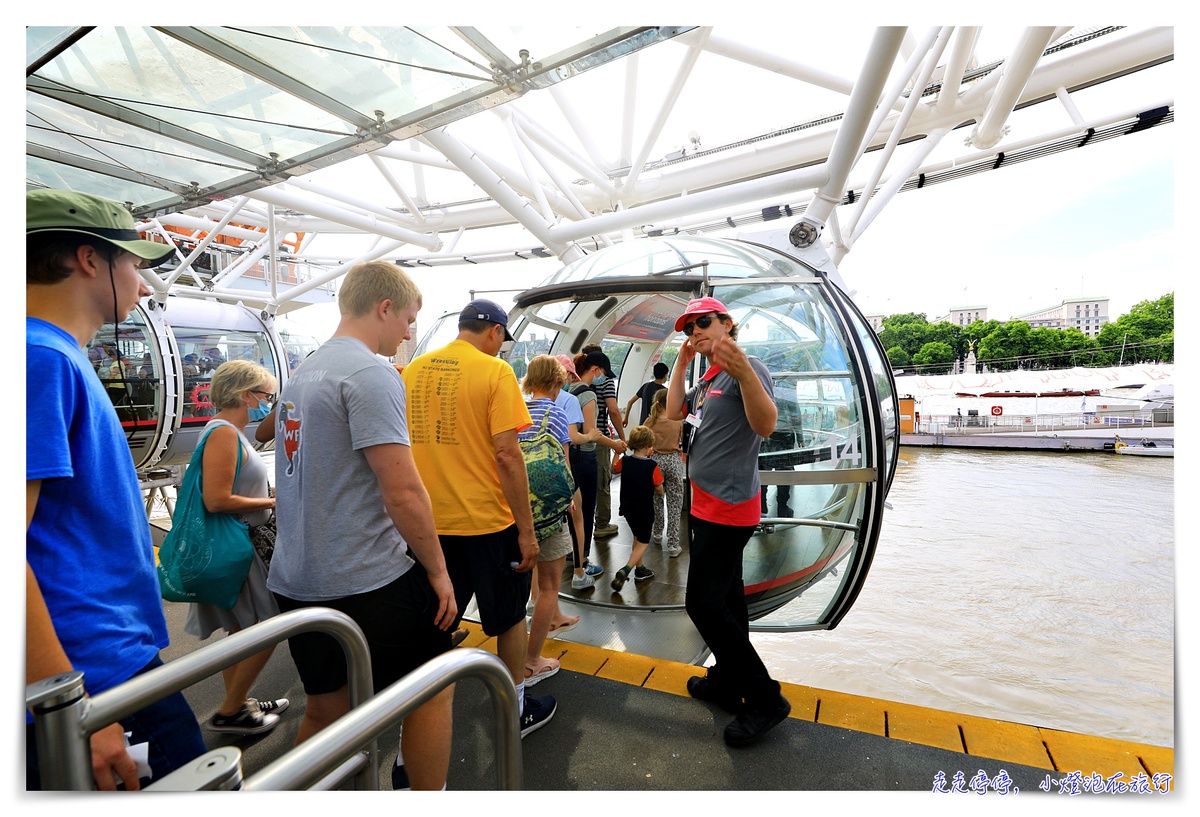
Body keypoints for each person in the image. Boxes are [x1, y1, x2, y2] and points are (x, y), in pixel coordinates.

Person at [26, 188, 206, 790]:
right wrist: (67, 703)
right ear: (87, 259)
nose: (145, 283)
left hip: (97, 662)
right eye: (134, 261)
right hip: (89, 671)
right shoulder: (37, 359)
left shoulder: (53, 354)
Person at [268, 260, 458, 791]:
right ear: (384, 308)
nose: (407, 332)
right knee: (431, 686)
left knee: (328, 710)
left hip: (297, 575)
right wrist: (438, 571)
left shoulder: (305, 371)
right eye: (408, 319)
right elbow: (402, 489)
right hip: (365, 576)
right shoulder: (370, 373)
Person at [402, 298, 558, 740]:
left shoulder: (414, 370)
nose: (501, 348)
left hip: (429, 524)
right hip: (488, 522)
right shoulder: (495, 372)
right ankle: (515, 711)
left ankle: (425, 710)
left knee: (438, 617)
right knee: (509, 617)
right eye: (502, 340)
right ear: (494, 332)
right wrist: (527, 533)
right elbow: (508, 455)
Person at [665, 296, 792, 747]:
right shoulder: (708, 376)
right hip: (705, 505)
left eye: (703, 323)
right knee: (729, 601)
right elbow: (672, 413)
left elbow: (766, 425)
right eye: (689, 328)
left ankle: (764, 698)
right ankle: (725, 680)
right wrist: (681, 364)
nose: (695, 332)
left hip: (729, 507)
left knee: (702, 604)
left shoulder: (747, 367)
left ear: (727, 324)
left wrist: (741, 372)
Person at [185, 360, 289, 735]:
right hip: (241, 546)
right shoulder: (225, 434)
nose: (269, 402)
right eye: (266, 395)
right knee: (267, 626)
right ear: (246, 395)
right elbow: (216, 499)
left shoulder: (226, 431)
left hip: (242, 543)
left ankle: (238, 700)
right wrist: (271, 503)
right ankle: (230, 709)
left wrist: (265, 496)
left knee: (242, 629)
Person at [518, 356, 577, 685]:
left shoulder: (518, 409)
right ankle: (531, 660)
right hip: (550, 514)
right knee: (550, 587)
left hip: (517, 512)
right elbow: (562, 463)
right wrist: (568, 499)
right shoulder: (556, 411)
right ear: (557, 381)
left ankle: (513, 658)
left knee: (524, 580)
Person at [570, 351, 627, 571]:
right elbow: (591, 431)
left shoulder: (569, 390)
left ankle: (572, 552)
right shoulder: (588, 394)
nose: (602, 377)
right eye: (602, 373)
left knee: (573, 508)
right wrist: (615, 444)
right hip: (585, 455)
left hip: (570, 455)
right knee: (586, 508)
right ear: (595, 369)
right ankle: (583, 560)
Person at [555, 354, 603, 590]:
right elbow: (580, 435)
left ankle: (562, 556)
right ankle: (580, 564)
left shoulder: (530, 400)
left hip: (550, 463)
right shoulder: (580, 397)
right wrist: (598, 439)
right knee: (582, 511)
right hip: (577, 459)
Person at [609, 425, 664, 592]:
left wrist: (617, 452)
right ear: (648, 447)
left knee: (636, 536)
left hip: (627, 508)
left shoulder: (625, 461)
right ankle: (626, 570)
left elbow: (613, 468)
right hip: (644, 510)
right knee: (643, 542)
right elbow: (659, 489)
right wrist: (660, 492)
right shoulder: (652, 466)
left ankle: (640, 570)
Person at [580, 344, 626, 538]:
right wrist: (621, 437)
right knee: (602, 480)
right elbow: (613, 410)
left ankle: (581, 526)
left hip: (577, 439)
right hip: (598, 438)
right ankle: (601, 524)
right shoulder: (606, 382)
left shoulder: (576, 381)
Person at [645, 387, 686, 557]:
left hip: (655, 463)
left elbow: (643, 442)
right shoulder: (678, 421)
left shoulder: (650, 421)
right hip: (674, 461)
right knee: (675, 503)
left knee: (656, 499)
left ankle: (657, 533)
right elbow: (683, 441)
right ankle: (673, 544)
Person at [624, 361, 669, 428]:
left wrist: (626, 419)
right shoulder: (665, 392)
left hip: (643, 425)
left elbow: (630, 402)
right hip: (657, 426)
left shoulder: (645, 386)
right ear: (665, 375)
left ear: (654, 374)